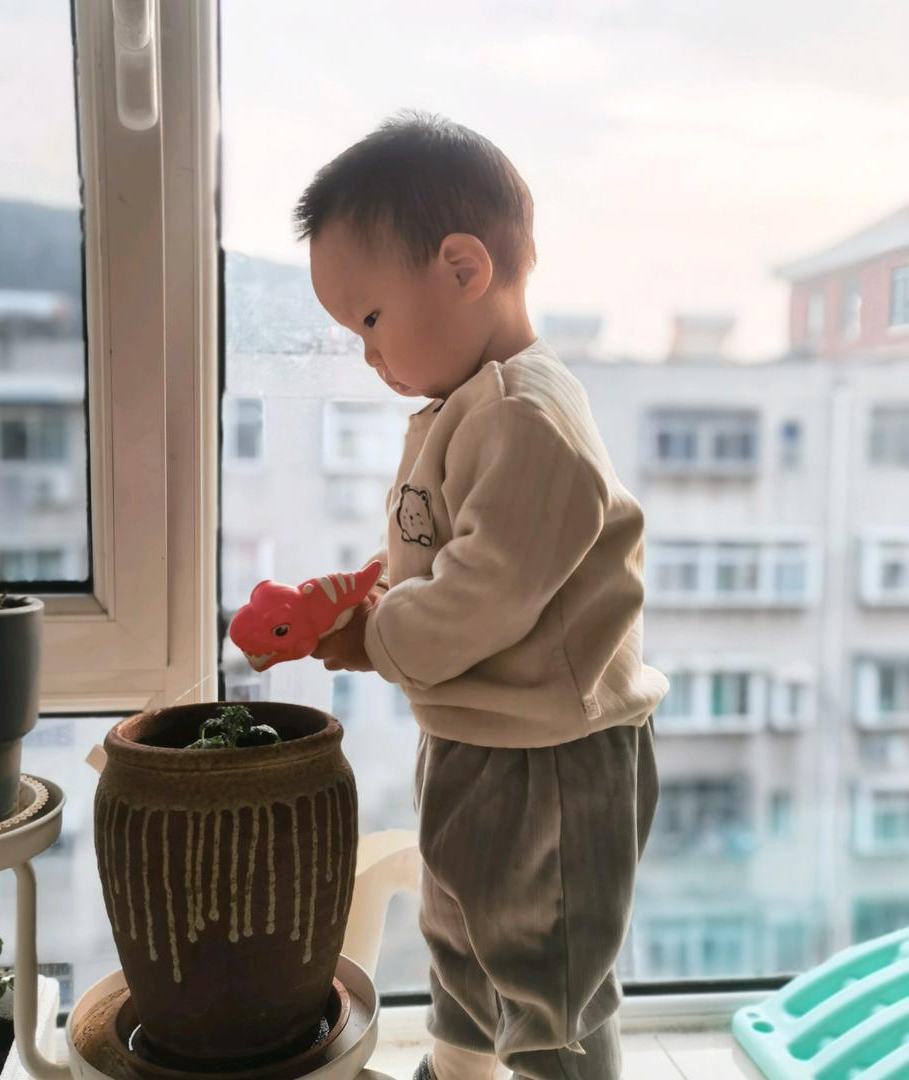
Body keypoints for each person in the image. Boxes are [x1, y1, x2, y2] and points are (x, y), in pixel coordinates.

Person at [293, 111, 667, 1080]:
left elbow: (485, 592)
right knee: (463, 937)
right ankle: (458, 1069)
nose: (369, 356)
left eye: (370, 320)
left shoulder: (528, 414)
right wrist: (369, 600)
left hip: (554, 760)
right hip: (483, 739)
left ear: (465, 269)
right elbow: (443, 552)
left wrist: (375, 633)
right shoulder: (464, 406)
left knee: (548, 979)